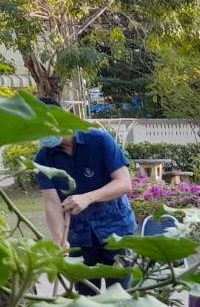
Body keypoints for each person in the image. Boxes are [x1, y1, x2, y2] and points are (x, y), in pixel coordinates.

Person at [34, 109, 136, 294]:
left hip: (115, 229)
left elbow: (124, 183)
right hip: (78, 235)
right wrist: (58, 239)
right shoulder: (44, 158)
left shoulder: (99, 140)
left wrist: (88, 197)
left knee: (120, 296)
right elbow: (51, 202)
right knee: (87, 298)